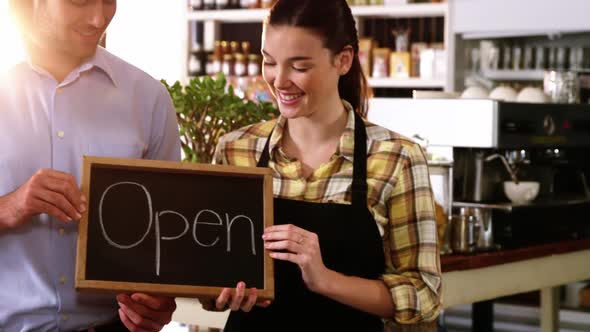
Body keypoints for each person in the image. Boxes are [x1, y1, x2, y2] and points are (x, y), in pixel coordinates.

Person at [208, 0, 442, 330]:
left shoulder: (397, 158)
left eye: (299, 67)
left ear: (343, 60)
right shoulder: (236, 150)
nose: (279, 81)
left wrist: (325, 280)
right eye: (270, 62)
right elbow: (210, 273)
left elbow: (424, 294)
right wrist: (219, 293)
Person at [0, 0, 180, 331]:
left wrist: (159, 302)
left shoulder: (149, 98)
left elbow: (167, 239)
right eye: (80, 1)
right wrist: (8, 207)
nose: (100, 18)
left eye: (109, 0)